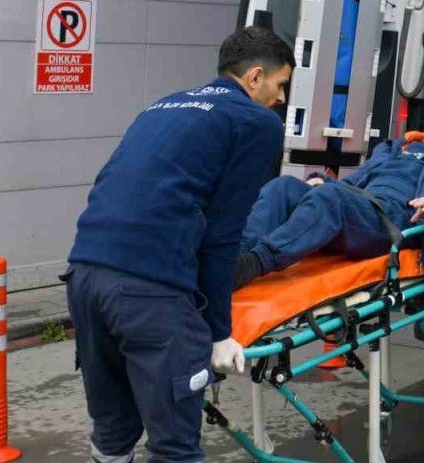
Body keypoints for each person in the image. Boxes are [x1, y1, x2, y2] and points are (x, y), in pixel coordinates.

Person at [63, 27, 293, 463]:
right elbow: (223, 233)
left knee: (113, 430)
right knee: (175, 447)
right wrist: (219, 332)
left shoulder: (163, 105)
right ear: (255, 77)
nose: (281, 98)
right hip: (150, 292)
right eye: (281, 85)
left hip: (86, 274)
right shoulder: (256, 122)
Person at [232, 82, 424, 289]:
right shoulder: (398, 146)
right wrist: (323, 181)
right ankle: (233, 260)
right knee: (284, 186)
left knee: (330, 196)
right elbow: (353, 182)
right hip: (362, 205)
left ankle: (256, 262)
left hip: (398, 220)